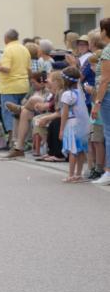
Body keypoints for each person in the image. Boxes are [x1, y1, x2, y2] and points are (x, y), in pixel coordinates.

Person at [0, 29, 31, 135]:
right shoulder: (24, 49)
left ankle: (12, 138)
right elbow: (28, 69)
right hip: (23, 86)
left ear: (6, 38)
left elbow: (6, 69)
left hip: (9, 87)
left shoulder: (8, 50)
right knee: (22, 113)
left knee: (9, 114)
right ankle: (22, 138)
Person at [59, 67, 90, 183]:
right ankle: (78, 174)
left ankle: (71, 174)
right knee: (80, 149)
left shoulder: (67, 94)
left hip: (71, 124)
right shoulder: (79, 92)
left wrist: (61, 130)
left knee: (73, 150)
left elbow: (64, 114)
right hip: (81, 123)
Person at [91, 18, 110, 186]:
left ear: (105, 31)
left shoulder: (107, 52)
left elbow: (104, 80)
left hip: (108, 96)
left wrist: (98, 101)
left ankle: (108, 172)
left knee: (109, 134)